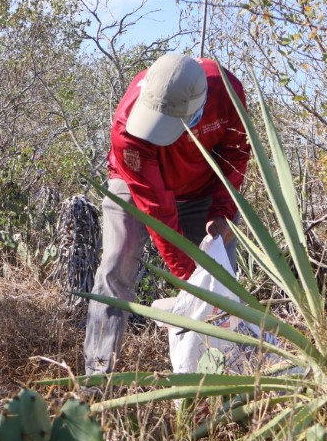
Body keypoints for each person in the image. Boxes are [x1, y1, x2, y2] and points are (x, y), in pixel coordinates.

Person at [83, 53, 251, 375]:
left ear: (199, 107)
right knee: (117, 265)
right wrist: (190, 284)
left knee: (221, 280)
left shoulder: (227, 92)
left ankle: (221, 378)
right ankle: (98, 374)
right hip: (136, 185)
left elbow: (236, 155)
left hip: (203, 189)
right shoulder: (128, 129)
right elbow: (157, 211)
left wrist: (222, 212)